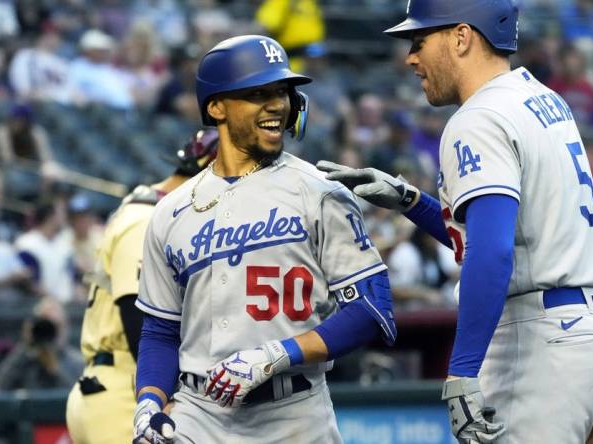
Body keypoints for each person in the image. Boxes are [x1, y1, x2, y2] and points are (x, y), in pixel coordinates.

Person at [317, 1, 593, 442]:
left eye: (420, 41)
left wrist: (461, 372)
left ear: (461, 37)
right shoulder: (541, 99)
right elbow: (504, 238)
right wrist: (412, 201)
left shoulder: (479, 117)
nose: (410, 57)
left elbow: (493, 253)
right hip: (587, 336)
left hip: (535, 345)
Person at [132, 35, 396, 444]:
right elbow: (160, 331)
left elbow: (373, 311)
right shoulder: (171, 211)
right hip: (198, 414)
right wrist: (149, 401)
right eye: (258, 93)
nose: (276, 104)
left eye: (281, 92)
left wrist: (278, 354)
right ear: (216, 107)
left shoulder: (320, 192)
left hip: (295, 414)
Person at [66, 129, 220, 444]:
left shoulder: (157, 212)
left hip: (115, 385)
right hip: (123, 389)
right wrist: (166, 394)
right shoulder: (145, 217)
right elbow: (135, 311)